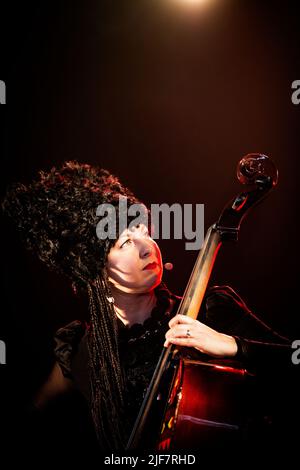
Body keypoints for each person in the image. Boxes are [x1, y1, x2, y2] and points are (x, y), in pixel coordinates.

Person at [2, 161, 295, 453]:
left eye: (144, 231)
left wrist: (233, 346)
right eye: (126, 242)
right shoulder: (82, 352)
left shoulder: (209, 310)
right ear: (95, 268)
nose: (147, 246)